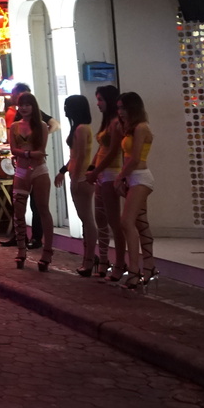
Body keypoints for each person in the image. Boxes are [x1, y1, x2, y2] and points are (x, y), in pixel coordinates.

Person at [9, 92, 55, 272]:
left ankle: (47, 251)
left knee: (43, 209)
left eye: (28, 104)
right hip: (21, 170)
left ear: (34, 106)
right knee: (18, 211)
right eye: (22, 105)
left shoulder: (42, 126)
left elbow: (41, 151)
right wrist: (28, 153)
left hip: (38, 170)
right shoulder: (14, 127)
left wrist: (24, 153)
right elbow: (13, 149)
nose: (25, 108)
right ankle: (21, 249)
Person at [117, 92, 156, 290]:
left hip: (140, 176)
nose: (120, 112)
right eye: (119, 108)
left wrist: (120, 176)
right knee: (140, 222)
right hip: (134, 177)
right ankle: (148, 266)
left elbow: (134, 159)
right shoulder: (131, 128)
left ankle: (134, 270)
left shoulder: (141, 127)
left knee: (127, 222)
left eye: (123, 108)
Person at [57, 96, 99, 276]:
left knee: (87, 220)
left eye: (67, 106)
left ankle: (90, 258)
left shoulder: (81, 129)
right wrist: (64, 170)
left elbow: (81, 156)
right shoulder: (80, 128)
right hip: (78, 175)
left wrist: (74, 178)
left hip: (81, 178)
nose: (65, 109)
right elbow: (75, 156)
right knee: (85, 220)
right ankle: (88, 257)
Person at [90, 85, 126, 280]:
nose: (98, 104)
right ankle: (104, 260)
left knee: (114, 221)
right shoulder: (107, 123)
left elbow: (112, 151)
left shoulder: (115, 123)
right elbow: (101, 150)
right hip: (102, 173)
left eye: (101, 100)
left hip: (110, 173)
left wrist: (96, 169)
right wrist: (92, 168)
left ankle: (120, 262)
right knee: (101, 219)